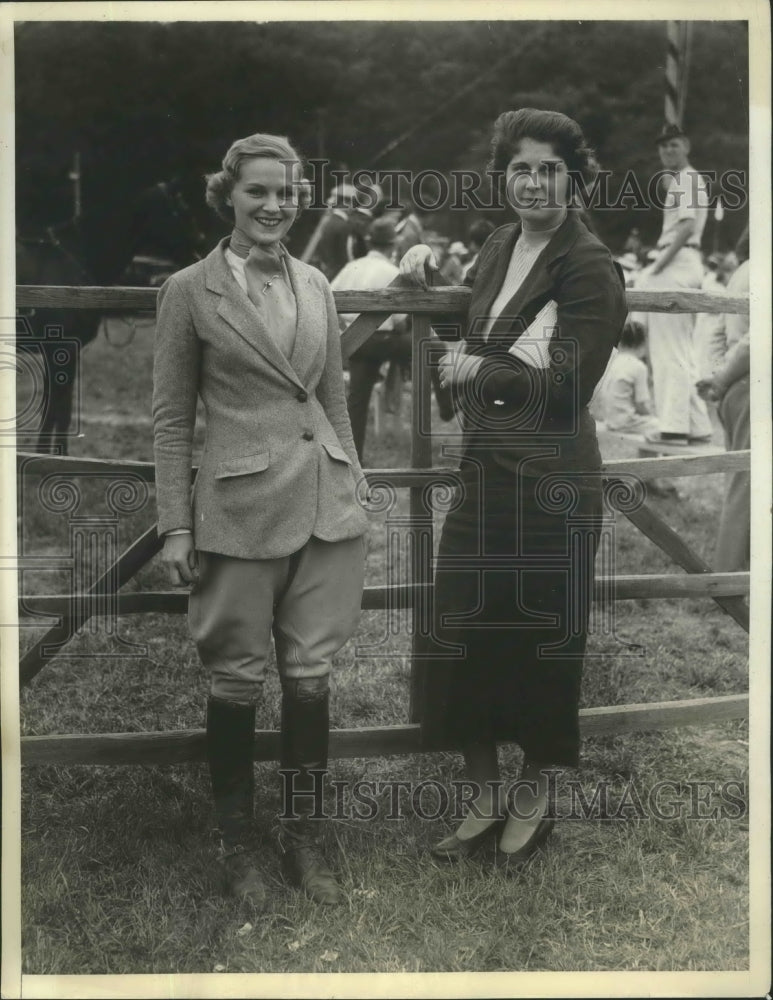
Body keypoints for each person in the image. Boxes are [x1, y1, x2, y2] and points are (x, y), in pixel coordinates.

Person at [400, 108, 627, 868]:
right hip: (484, 471)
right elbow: (477, 321)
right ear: (505, 176)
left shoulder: (589, 263)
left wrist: (481, 370)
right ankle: (482, 797)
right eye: (521, 168)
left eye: (549, 169)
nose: (533, 182)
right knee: (461, 631)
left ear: (573, 177)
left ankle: (533, 804)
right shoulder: (499, 243)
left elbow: (566, 386)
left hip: (551, 482)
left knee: (536, 643)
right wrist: (422, 275)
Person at [152, 133, 369, 911]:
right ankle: (236, 843)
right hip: (237, 512)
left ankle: (305, 838)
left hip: (325, 509)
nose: (275, 205)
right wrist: (176, 527)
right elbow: (173, 421)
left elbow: (334, 397)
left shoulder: (316, 281)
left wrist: (355, 479)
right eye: (258, 192)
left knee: (311, 679)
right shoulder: (188, 290)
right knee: (236, 678)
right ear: (229, 197)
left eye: (287, 191)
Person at [637, 123, 713, 445]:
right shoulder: (687, 179)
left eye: (674, 145)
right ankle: (697, 426)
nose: (668, 150)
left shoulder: (687, 179)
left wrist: (657, 266)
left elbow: (685, 228)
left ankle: (673, 428)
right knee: (681, 349)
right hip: (686, 261)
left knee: (668, 349)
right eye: (663, 146)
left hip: (677, 260)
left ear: (686, 146)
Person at [330, 216, 411, 461]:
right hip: (384, 341)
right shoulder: (393, 272)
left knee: (357, 400)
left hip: (354, 344)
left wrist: (347, 328)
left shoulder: (351, 267)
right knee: (429, 347)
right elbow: (398, 322)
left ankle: (353, 457)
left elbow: (329, 301)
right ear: (393, 245)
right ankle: (444, 400)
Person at [696, 227, 750, 572]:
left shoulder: (741, 274)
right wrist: (722, 378)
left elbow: (715, 333)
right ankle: (728, 578)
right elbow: (758, 336)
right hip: (750, 380)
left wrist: (715, 381)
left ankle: (736, 572)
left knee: (742, 480)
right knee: (746, 484)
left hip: (735, 386)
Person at [595, 319, 659, 435]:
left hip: (609, 420)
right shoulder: (639, 366)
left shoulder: (613, 361)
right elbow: (641, 405)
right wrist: (653, 415)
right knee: (662, 426)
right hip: (625, 422)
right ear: (643, 344)